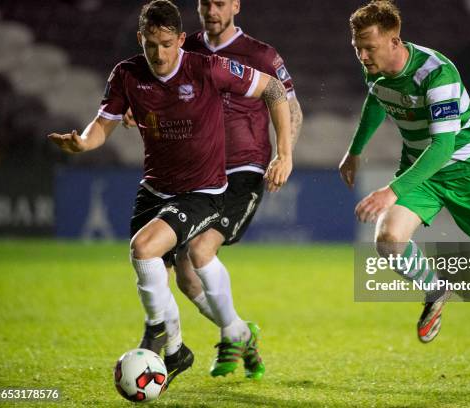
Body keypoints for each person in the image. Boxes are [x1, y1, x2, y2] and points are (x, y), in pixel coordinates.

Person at [48, 0, 292, 386]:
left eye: (166, 44)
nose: (159, 54)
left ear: (181, 40)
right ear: (140, 40)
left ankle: (160, 331)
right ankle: (194, 344)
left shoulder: (206, 68)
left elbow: (275, 90)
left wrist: (285, 153)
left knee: (152, 249)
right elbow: (102, 124)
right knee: (171, 277)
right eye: (150, 45)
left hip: (205, 189)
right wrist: (82, 143)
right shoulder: (127, 74)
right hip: (156, 187)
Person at [339, 0, 470, 383]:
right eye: (357, 47)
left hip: (468, 169)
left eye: (369, 47)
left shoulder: (436, 73)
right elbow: (378, 100)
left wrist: (391, 191)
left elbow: (443, 148)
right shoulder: (376, 70)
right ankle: (435, 290)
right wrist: (355, 149)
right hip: (422, 170)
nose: (362, 55)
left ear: (394, 40)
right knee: (388, 240)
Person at [123, 0, 303, 380]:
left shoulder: (260, 54)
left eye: (220, 3)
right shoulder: (183, 51)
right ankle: (238, 332)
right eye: (205, 3)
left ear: (236, 5)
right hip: (196, 174)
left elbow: (288, 103)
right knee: (186, 278)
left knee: (201, 249)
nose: (211, 10)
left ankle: (223, 336)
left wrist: (284, 154)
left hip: (243, 168)